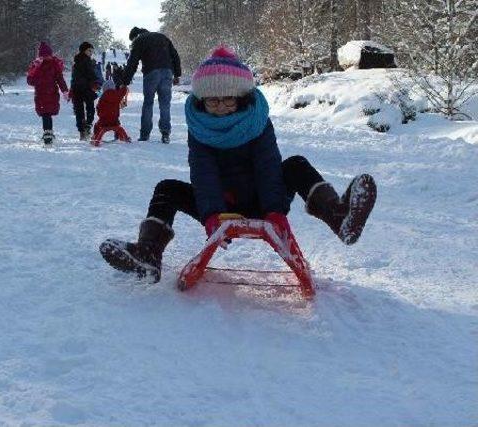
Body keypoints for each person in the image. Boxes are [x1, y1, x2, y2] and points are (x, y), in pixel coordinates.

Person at [100, 46, 377, 282]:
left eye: (227, 100)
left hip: (261, 201)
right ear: (201, 100)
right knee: (167, 188)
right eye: (212, 101)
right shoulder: (199, 128)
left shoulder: (256, 123)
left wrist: (274, 211)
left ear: (241, 98)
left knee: (294, 165)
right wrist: (212, 215)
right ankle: (148, 254)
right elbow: (203, 173)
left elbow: (268, 166)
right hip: (220, 207)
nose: (220, 106)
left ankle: (339, 216)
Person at [123, 27, 182, 144]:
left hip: (151, 72)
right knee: (165, 104)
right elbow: (175, 55)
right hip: (167, 71)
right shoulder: (162, 37)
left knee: (148, 103)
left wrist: (125, 81)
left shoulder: (139, 41)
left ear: (135, 36)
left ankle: (145, 134)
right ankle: (165, 134)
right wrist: (177, 75)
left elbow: (132, 62)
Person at [26, 41, 68, 145]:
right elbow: (30, 81)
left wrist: (65, 90)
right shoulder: (37, 66)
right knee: (46, 114)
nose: (46, 58)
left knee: (46, 114)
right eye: (44, 56)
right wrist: (35, 68)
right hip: (42, 94)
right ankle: (48, 133)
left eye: (48, 55)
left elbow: (60, 79)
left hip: (50, 93)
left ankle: (48, 133)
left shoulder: (54, 65)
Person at [70, 41, 100, 141]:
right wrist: (97, 83)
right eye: (89, 50)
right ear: (84, 50)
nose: (91, 52)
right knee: (90, 108)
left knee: (79, 111)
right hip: (86, 88)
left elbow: (73, 76)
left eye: (92, 51)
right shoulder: (87, 61)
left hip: (77, 88)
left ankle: (82, 131)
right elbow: (91, 74)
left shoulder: (76, 61)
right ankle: (87, 126)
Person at [92, 79, 131, 144]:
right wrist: (124, 86)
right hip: (114, 120)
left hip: (103, 121)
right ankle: (121, 136)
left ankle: (96, 137)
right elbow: (123, 92)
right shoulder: (117, 95)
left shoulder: (102, 98)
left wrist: (100, 114)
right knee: (118, 127)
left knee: (96, 126)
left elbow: (98, 108)